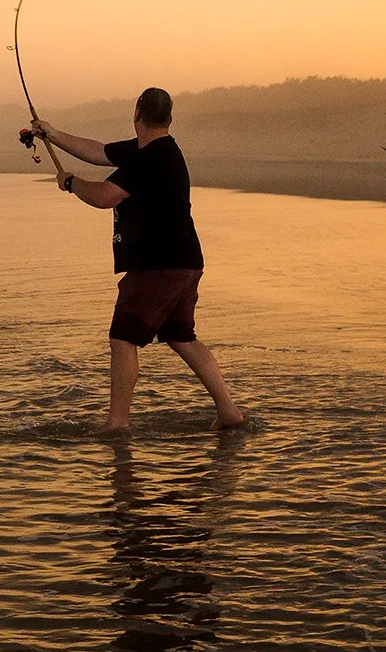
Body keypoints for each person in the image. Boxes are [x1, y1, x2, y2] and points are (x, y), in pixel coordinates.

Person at [27, 87, 246, 436]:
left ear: (136, 113)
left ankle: (117, 423)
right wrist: (51, 132)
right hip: (184, 261)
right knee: (181, 336)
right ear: (169, 118)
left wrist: (70, 182)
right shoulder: (155, 150)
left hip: (158, 265)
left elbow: (104, 196)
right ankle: (229, 412)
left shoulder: (150, 159)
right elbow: (97, 151)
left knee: (123, 338)